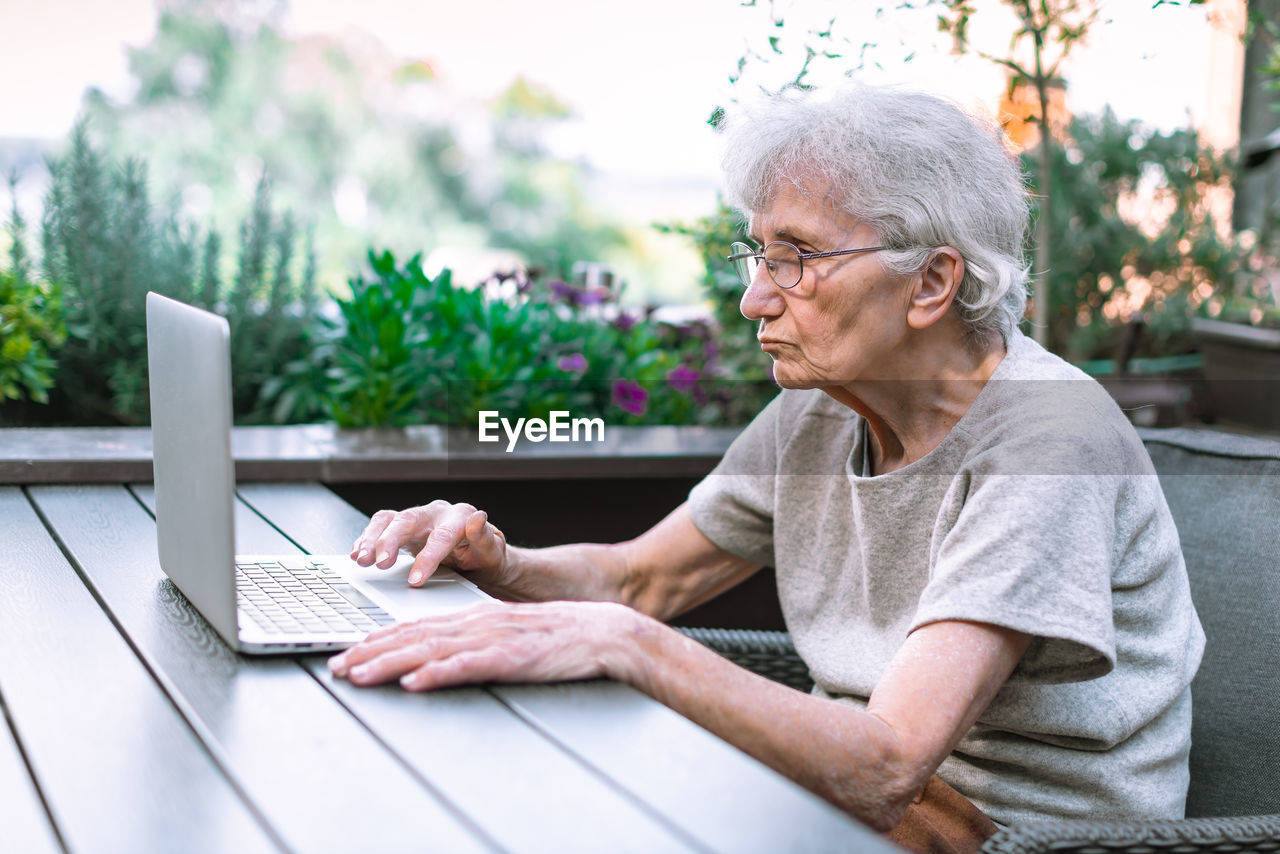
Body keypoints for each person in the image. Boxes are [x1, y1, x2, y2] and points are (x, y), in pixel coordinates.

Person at [327, 83, 1204, 853]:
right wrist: (497, 559)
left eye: (796, 257)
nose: (754, 298)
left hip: (1010, 836)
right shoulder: (819, 410)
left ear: (931, 283)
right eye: (758, 255)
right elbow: (637, 584)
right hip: (848, 803)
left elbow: (891, 760)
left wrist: (629, 648)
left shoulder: (1048, 439)